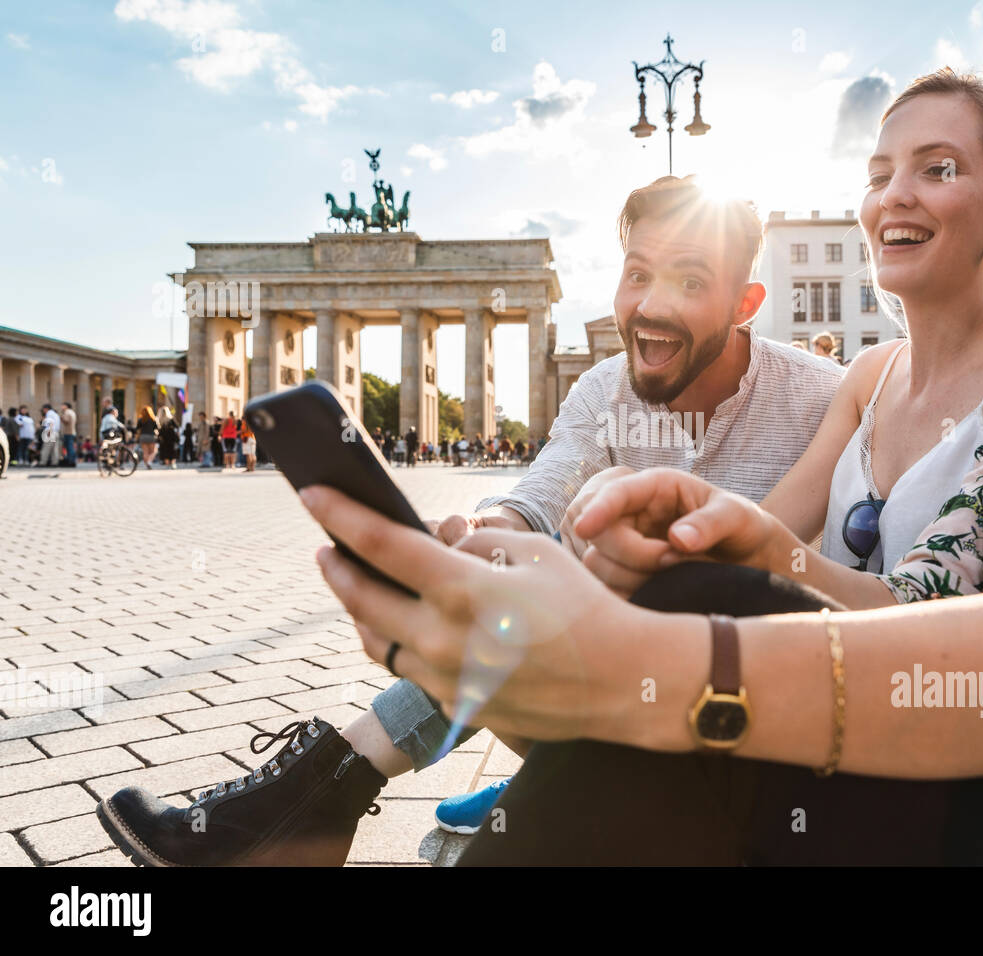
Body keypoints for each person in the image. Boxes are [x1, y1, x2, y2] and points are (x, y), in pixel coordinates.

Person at [302, 0, 983, 866]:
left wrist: (652, 676)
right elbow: (911, 603)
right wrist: (751, 539)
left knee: (700, 683)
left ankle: (349, 790)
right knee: (711, 590)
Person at [96, 173, 846, 866]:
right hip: (626, 699)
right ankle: (323, 800)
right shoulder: (602, 390)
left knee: (615, 581)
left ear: (746, 304)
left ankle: (311, 804)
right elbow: (537, 493)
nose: (651, 305)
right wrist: (481, 539)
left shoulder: (821, 397)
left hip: (765, 719)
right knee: (510, 586)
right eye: (638, 274)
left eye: (690, 280)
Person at [59, 402, 77, 467]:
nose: (61, 407)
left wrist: (61, 418)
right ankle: (71, 460)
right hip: (72, 432)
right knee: (71, 447)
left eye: (62, 405)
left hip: (68, 432)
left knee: (69, 447)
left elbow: (66, 421)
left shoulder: (67, 412)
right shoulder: (72, 412)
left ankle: (71, 461)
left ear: (66, 406)